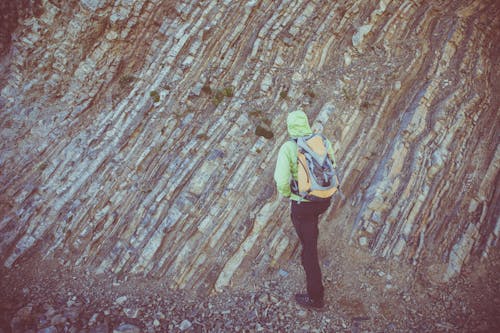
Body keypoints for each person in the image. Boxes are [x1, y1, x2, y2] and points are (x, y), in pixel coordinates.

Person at [273, 109, 337, 310]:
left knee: (309, 251)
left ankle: (316, 298)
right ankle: (310, 243)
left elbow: (281, 180)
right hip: (323, 200)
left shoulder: (289, 147)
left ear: (290, 126)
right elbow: (332, 164)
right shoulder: (321, 141)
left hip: (302, 204)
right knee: (311, 228)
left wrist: (288, 193)